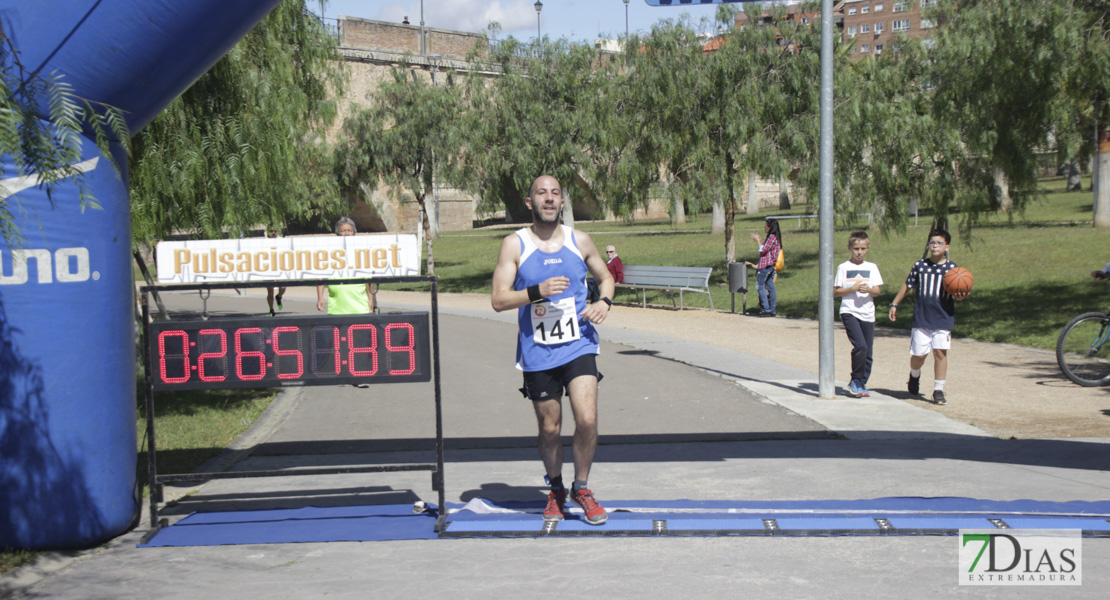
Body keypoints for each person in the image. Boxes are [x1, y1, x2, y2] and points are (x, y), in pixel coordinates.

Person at [491, 174, 615, 526]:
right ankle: (557, 489)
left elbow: (607, 278)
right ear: (530, 202)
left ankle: (582, 487)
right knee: (550, 428)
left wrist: (604, 301)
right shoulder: (515, 245)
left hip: (579, 343)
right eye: (541, 193)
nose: (549, 199)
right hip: (538, 349)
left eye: (555, 193)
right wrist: (536, 292)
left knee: (587, 419)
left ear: (562, 201)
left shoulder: (580, 240)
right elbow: (498, 300)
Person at [887, 228, 968, 406]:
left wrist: (961, 296)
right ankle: (914, 375)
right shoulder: (920, 266)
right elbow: (907, 285)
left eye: (939, 243)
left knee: (940, 353)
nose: (935, 246)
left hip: (943, 317)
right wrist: (895, 303)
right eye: (932, 242)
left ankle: (938, 390)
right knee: (919, 355)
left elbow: (958, 293)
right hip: (922, 317)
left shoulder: (953, 270)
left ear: (947, 247)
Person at [317, 217, 375, 387]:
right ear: (337, 234)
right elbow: (321, 276)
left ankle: (360, 376)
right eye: (343, 231)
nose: (346, 233)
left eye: (349, 230)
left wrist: (371, 298)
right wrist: (320, 297)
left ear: (354, 233)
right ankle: (341, 375)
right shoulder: (330, 254)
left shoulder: (361, 253)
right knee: (338, 344)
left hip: (359, 305)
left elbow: (369, 279)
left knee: (360, 344)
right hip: (337, 306)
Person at [834, 231, 883, 398]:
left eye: (863, 248)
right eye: (856, 248)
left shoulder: (872, 267)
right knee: (860, 346)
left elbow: (877, 291)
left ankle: (862, 381)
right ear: (850, 248)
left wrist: (868, 289)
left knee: (868, 352)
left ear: (868, 248)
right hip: (849, 311)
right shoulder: (844, 267)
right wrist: (851, 289)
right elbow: (836, 291)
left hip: (867, 313)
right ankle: (855, 380)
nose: (859, 252)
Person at [746, 217, 782, 317]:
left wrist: (757, 241)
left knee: (759, 286)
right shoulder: (774, 237)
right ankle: (772, 310)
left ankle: (766, 309)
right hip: (770, 265)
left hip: (766, 265)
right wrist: (760, 241)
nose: (764, 227)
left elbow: (763, 250)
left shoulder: (772, 237)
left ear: (770, 226)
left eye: (765, 225)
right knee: (770, 286)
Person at [264, 226, 287, 317]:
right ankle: (271, 309)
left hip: (280, 268)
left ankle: (279, 297)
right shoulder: (264, 242)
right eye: (271, 231)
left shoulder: (281, 240)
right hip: (268, 269)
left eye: (274, 231)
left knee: (283, 287)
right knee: (270, 292)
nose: (273, 232)